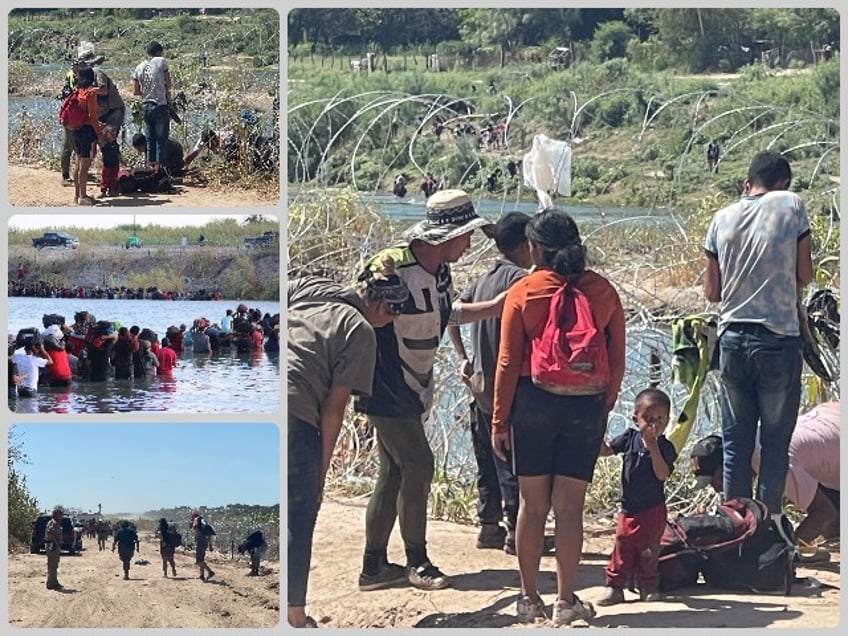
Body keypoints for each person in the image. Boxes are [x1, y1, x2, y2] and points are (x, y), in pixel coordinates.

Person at [354, 189, 499, 593]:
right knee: (419, 463)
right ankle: (417, 562)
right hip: (386, 382)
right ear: (445, 235)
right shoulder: (389, 267)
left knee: (394, 472)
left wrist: (496, 306)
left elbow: (445, 312)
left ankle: (374, 568)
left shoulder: (439, 272)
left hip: (417, 383)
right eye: (466, 235)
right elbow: (359, 319)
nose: (470, 244)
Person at [491, 208, 625, 624]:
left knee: (532, 506)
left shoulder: (525, 291)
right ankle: (566, 602)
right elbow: (617, 361)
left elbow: (508, 362)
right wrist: (602, 407)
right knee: (570, 509)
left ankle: (529, 598)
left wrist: (499, 420)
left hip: (533, 402)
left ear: (534, 248)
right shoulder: (603, 292)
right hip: (585, 404)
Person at [288, 263, 410, 629]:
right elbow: (334, 408)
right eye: (394, 312)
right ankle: (293, 616)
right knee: (299, 512)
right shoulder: (360, 331)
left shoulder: (312, 285)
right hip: (297, 409)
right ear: (380, 307)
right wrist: (320, 476)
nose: (392, 320)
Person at [703, 151, 813, 521]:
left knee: (736, 444)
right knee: (774, 445)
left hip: (732, 337)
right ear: (782, 182)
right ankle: (766, 531)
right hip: (778, 338)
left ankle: (734, 533)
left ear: (748, 182)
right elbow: (805, 272)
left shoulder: (721, 218)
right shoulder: (790, 204)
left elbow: (712, 292)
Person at [447, 212, 533, 555]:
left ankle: (488, 525)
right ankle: (517, 529)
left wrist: (462, 356)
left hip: (479, 383)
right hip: (508, 384)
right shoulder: (520, 281)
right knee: (512, 457)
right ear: (528, 245)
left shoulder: (485, 278)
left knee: (487, 456)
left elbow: (450, 312)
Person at [690, 400, 840, 545]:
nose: (717, 488)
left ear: (730, 465)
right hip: (831, 418)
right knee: (833, 528)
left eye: (717, 479)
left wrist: (787, 550)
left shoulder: (770, 459)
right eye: (710, 484)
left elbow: (825, 512)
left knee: (829, 523)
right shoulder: (754, 438)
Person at [597, 388, 677, 605]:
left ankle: (648, 584)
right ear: (636, 419)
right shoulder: (629, 438)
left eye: (660, 419)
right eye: (648, 418)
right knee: (623, 544)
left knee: (649, 548)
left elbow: (662, 474)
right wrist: (593, 431)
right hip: (629, 508)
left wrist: (653, 448)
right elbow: (606, 451)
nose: (654, 424)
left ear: (668, 420)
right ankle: (615, 586)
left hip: (653, 508)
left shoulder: (665, 447)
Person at [69, 65, 105, 206]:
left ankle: (77, 195)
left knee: (78, 163)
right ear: (92, 77)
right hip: (87, 132)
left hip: (75, 130)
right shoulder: (90, 93)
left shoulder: (77, 91)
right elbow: (92, 116)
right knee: (85, 165)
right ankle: (83, 197)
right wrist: (99, 133)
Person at [132, 41, 172, 166]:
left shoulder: (139, 67)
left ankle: (150, 171)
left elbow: (136, 91)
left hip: (146, 106)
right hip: (159, 105)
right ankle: (161, 173)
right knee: (161, 141)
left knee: (150, 141)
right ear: (159, 52)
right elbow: (168, 84)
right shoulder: (161, 61)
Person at [190, 511, 216, 581]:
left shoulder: (196, 521)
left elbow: (196, 534)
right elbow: (210, 535)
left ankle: (210, 572)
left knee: (199, 560)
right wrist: (210, 545)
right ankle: (202, 575)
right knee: (201, 559)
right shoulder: (204, 523)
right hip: (205, 543)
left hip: (200, 542)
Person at [99, 124, 121, 196]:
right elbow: (99, 140)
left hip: (115, 164)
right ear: (106, 135)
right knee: (105, 178)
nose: (114, 136)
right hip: (106, 164)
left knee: (113, 178)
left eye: (115, 135)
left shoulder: (116, 144)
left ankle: (112, 190)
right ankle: (103, 191)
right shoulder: (104, 144)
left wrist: (121, 160)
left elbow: (118, 153)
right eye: (112, 134)